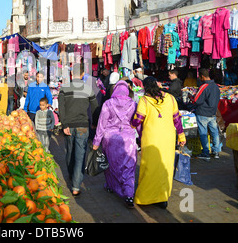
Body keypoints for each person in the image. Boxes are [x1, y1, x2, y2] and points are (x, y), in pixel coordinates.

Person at [131, 77, 186, 209]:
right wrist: (181, 136)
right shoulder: (170, 98)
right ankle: (162, 198)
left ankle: (144, 197)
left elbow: (138, 120)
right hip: (168, 138)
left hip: (151, 139)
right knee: (165, 167)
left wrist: (131, 124)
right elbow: (177, 119)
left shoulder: (144, 100)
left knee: (149, 168)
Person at [92, 80, 137, 208]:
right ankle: (129, 194)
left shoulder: (108, 103)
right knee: (129, 167)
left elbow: (102, 124)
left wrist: (96, 141)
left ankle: (111, 186)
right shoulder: (133, 104)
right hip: (128, 140)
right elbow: (137, 123)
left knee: (111, 165)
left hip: (110, 139)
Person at [58, 63, 98, 197]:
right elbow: (95, 108)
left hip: (68, 125)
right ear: (82, 74)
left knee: (70, 151)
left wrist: (64, 124)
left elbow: (61, 108)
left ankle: (71, 175)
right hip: (82, 126)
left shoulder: (64, 89)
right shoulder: (88, 89)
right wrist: (95, 123)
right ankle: (76, 186)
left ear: (71, 74)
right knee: (80, 154)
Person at [193, 68, 221, 160]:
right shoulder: (216, 86)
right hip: (212, 113)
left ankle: (205, 152)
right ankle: (216, 151)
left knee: (203, 133)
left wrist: (191, 98)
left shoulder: (204, 86)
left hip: (203, 113)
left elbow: (196, 100)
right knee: (214, 132)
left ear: (202, 77)